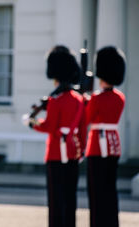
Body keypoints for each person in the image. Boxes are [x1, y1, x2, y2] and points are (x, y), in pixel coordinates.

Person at [24, 45, 86, 227]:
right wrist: (81, 150)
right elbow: (82, 127)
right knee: (70, 196)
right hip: (73, 151)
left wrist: (32, 123)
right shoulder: (78, 99)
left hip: (55, 153)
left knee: (56, 199)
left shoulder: (55, 101)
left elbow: (50, 126)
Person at [85, 46, 126, 227]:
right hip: (114, 145)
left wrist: (86, 100)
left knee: (96, 192)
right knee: (110, 190)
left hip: (97, 146)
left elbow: (87, 117)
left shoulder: (96, 98)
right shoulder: (120, 97)